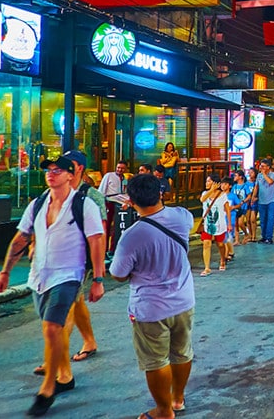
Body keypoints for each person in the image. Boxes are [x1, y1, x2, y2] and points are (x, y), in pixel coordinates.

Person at [0, 155, 105, 416]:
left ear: (71, 175)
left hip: (68, 275)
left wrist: (98, 279)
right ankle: (65, 377)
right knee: (51, 330)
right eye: (49, 170)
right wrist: (5, 272)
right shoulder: (37, 204)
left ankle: (47, 389)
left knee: (52, 327)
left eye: (58, 170)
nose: (51, 174)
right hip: (39, 277)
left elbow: (97, 241)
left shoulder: (84, 204)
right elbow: (22, 238)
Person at [110, 173, 194, 419]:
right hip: (183, 300)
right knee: (182, 352)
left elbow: (118, 274)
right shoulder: (182, 217)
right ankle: (177, 399)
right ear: (160, 193)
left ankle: (163, 410)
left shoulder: (131, 237)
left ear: (131, 200)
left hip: (150, 309)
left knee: (156, 360)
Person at [29, 150, 106, 377]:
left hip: (77, 261)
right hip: (51, 263)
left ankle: (56, 366)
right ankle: (90, 341)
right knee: (77, 303)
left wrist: (98, 274)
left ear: (78, 168)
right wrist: (34, 244)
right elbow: (39, 219)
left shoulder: (91, 197)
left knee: (65, 312)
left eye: (65, 165)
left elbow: (99, 235)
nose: (57, 170)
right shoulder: (50, 193)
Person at [199, 173, 227, 276]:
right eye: (206, 181)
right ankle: (207, 268)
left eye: (209, 181)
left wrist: (229, 223)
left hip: (219, 224)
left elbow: (227, 208)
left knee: (220, 244)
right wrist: (211, 190)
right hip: (207, 224)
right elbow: (202, 200)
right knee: (206, 244)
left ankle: (223, 259)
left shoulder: (222, 195)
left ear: (215, 183)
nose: (207, 183)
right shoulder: (204, 194)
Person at [98, 159, 129, 254]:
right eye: (118, 167)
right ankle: (104, 249)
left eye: (122, 168)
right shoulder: (109, 176)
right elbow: (101, 190)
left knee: (116, 227)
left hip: (119, 204)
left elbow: (124, 192)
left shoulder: (124, 179)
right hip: (108, 202)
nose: (119, 170)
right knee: (106, 226)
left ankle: (113, 249)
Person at [255, 159, 274, 244]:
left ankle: (269, 237)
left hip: (271, 200)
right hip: (261, 200)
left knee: (270, 219)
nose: (261, 168)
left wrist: (264, 173)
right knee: (262, 219)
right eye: (261, 166)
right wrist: (254, 197)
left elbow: (270, 182)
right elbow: (256, 187)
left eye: (263, 166)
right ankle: (263, 236)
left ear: (268, 167)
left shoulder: (273, 174)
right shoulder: (259, 176)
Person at [230, 170, 250, 245]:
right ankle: (237, 240)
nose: (234, 177)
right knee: (236, 224)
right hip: (235, 207)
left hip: (243, 207)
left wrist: (243, 202)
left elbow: (249, 195)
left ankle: (246, 233)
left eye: (236, 175)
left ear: (241, 177)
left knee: (241, 223)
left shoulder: (245, 186)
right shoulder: (234, 186)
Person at [244, 168, 259, 243]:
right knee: (248, 220)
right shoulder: (246, 183)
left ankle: (254, 236)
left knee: (253, 219)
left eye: (252, 172)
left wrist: (256, 198)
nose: (250, 174)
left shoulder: (257, 182)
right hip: (247, 203)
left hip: (254, 203)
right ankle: (250, 235)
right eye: (249, 173)